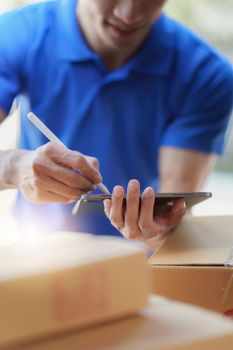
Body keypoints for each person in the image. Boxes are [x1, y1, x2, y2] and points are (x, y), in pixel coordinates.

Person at [0, 0, 232, 244]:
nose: (129, 14)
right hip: (41, 250)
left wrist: (159, 229)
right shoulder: (16, 33)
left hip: (138, 260)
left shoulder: (204, 75)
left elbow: (172, 212)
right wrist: (14, 168)